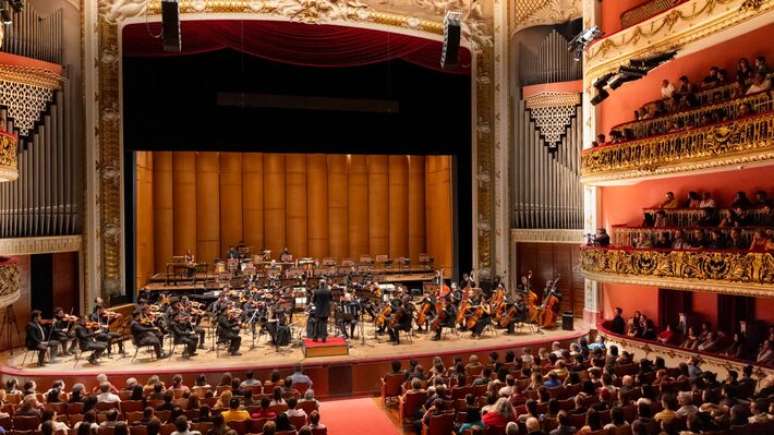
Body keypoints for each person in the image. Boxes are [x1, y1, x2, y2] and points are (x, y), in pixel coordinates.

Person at [311, 278, 331, 343]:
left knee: (317, 323)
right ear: (325, 284)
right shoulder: (328, 291)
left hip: (318, 310)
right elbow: (331, 299)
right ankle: (323, 338)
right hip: (326, 310)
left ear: (319, 284)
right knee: (324, 324)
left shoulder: (316, 291)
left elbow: (313, 301)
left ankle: (315, 338)